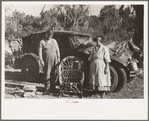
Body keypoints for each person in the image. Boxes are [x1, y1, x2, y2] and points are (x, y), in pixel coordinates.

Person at [38, 30, 60, 95]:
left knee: (55, 73)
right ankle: (47, 89)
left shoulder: (54, 41)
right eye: (48, 35)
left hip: (55, 59)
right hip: (47, 60)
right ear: (46, 34)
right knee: (47, 74)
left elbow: (57, 50)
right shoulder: (42, 42)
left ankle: (53, 88)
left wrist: (58, 58)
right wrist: (41, 60)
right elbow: (40, 52)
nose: (49, 37)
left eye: (51, 36)